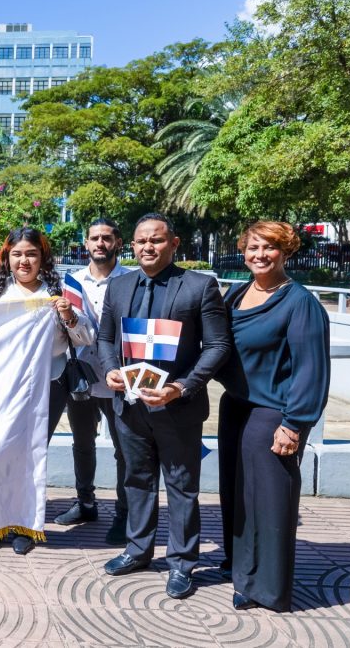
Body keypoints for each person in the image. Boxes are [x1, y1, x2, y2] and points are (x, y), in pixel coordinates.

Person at [97, 212, 230, 600]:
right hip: (131, 406)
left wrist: (182, 386)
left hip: (177, 408)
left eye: (155, 240)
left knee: (181, 486)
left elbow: (218, 346)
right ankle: (138, 550)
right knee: (137, 480)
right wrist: (109, 371)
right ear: (131, 246)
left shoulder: (200, 286)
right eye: (140, 241)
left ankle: (182, 563)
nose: (147, 248)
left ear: (174, 244)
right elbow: (106, 339)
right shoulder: (119, 286)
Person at [217, 221, 330, 612]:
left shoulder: (300, 303)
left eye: (269, 248)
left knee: (268, 500)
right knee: (235, 493)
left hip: (273, 412)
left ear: (286, 252)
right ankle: (240, 566)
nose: (259, 255)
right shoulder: (236, 294)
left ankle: (265, 587)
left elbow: (310, 369)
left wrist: (294, 424)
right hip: (235, 407)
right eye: (252, 248)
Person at [0, 227, 94, 555]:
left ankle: (25, 525)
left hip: (49, 384)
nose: (24, 260)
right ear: (6, 258)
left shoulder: (61, 291)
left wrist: (68, 315)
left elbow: (86, 338)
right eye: (17, 254)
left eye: (31, 254)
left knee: (31, 456)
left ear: (43, 258)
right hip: (0, 389)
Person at [53, 219, 131, 546]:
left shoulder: (132, 279)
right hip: (82, 375)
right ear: (86, 243)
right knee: (82, 442)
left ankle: (126, 515)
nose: (100, 243)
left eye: (106, 238)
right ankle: (86, 503)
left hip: (120, 377)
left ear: (118, 242)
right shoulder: (70, 281)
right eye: (94, 238)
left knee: (125, 448)